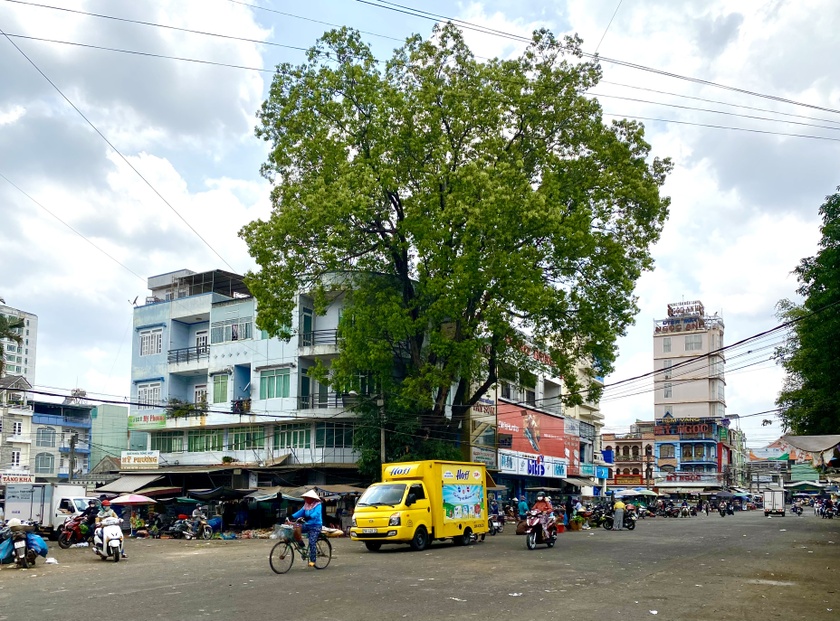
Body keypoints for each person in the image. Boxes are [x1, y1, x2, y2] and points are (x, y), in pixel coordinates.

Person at [292, 490, 323, 567]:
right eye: (305, 498)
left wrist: (308, 517)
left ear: (311, 498)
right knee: (295, 529)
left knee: (312, 541)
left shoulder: (318, 505)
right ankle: (301, 545)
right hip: (307, 525)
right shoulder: (306, 505)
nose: (305, 500)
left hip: (316, 526)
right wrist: (291, 516)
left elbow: (316, 514)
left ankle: (313, 560)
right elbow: (300, 512)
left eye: (307, 498)